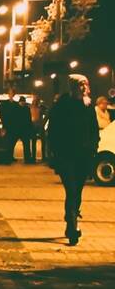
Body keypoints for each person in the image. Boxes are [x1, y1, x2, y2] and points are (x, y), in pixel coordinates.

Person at [47, 74, 100, 246]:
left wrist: (93, 147)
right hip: (66, 155)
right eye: (81, 86)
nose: (84, 89)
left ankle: (71, 216)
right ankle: (72, 226)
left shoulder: (88, 105)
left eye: (86, 85)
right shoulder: (62, 104)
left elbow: (93, 129)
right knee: (71, 190)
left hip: (84, 156)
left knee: (77, 191)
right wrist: (55, 153)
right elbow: (53, 130)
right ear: (73, 87)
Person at [17, 96, 36, 163]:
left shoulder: (21, 108)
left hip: (23, 128)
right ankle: (27, 157)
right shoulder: (25, 109)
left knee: (26, 143)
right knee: (26, 143)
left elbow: (29, 119)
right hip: (23, 128)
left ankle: (27, 157)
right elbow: (29, 119)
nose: (23, 103)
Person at [30, 96, 47, 162]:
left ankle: (41, 157)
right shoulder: (32, 108)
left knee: (41, 141)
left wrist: (43, 122)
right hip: (35, 125)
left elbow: (46, 114)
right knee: (35, 141)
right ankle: (35, 157)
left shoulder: (39, 108)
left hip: (38, 124)